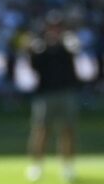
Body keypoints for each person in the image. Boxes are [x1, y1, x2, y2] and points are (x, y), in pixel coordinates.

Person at [26, 11, 81, 183]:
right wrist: (31, 51)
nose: (55, 30)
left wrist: (65, 43)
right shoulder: (40, 46)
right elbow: (34, 67)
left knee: (67, 130)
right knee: (41, 130)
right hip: (45, 94)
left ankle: (68, 167)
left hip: (66, 92)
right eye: (52, 26)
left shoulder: (68, 44)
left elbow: (73, 55)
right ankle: (37, 165)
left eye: (58, 27)